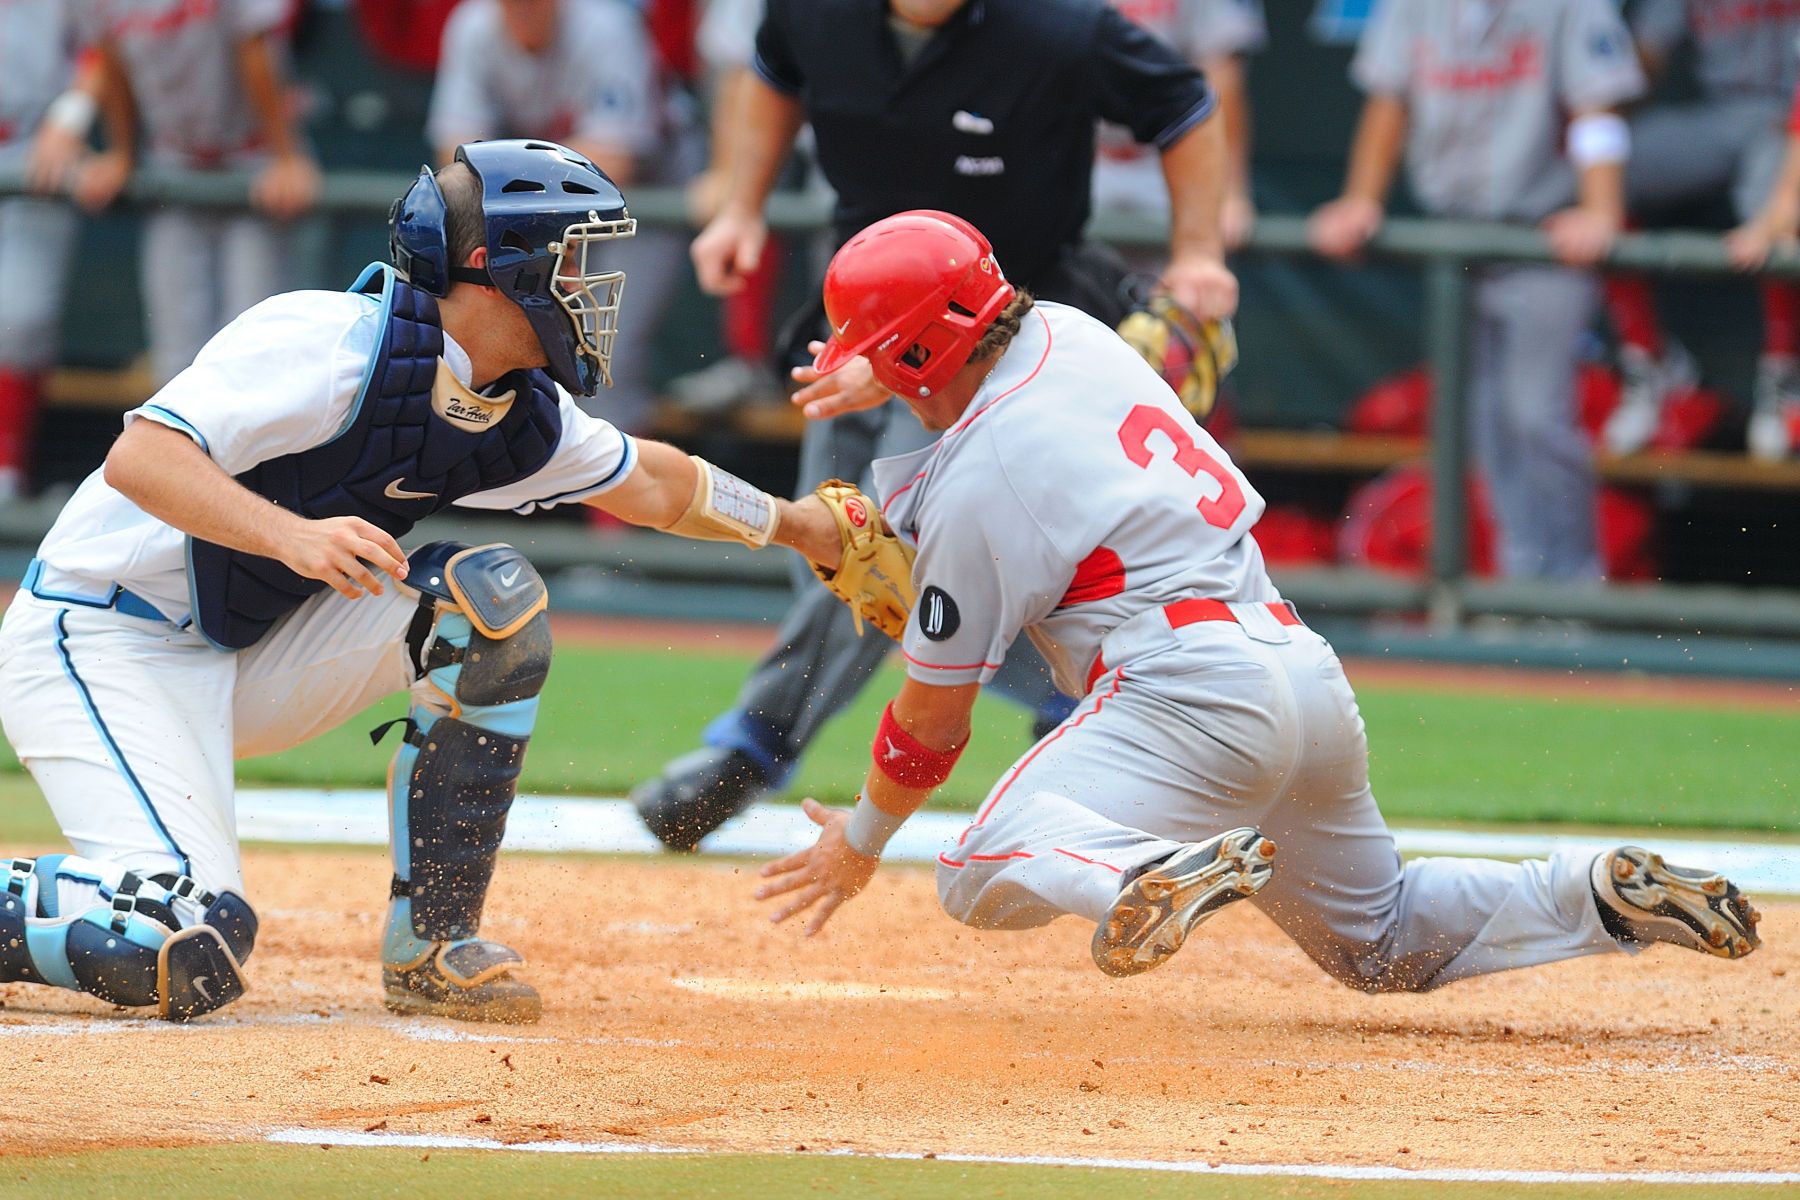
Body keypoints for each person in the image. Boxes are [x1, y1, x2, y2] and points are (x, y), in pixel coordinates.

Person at [755, 210, 1762, 993]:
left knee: (970, 868)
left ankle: (1137, 874)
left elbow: (932, 724)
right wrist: (892, 378)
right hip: (1296, 669)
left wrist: (860, 841)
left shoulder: (978, 484)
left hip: (1178, 696)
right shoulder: (1069, 332)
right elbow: (984, 407)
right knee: (1383, 943)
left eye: (882, 350)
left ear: (917, 354)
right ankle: (1589, 898)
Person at [0, 140, 840, 1024]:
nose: (590, 286)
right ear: (495, 269)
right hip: (97, 637)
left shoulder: (513, 408)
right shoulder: (328, 340)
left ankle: (431, 947)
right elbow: (142, 456)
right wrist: (290, 535)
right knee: (182, 938)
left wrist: (799, 526)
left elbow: (658, 483)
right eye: (571, 257)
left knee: (489, 605)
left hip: (238, 647)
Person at [632, 0, 1242, 852]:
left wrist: (1198, 251)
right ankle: (1072, 700)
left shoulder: (1058, 27)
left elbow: (1185, 105)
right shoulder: (814, 14)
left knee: (872, 548)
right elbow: (773, 73)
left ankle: (753, 746)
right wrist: (742, 206)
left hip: (1003, 339)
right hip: (856, 314)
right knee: (851, 558)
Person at [1309, 0, 1644, 582]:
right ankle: (1519, 586)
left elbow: (1598, 113)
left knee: (1537, 416)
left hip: (1541, 232)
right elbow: (1389, 101)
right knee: (1485, 422)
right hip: (1454, 238)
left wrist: (1601, 209)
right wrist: (1362, 196)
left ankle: (1574, 591)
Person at [427, 0, 699, 436]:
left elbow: (614, 159)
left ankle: (621, 497)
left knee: (601, 355)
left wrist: (506, 180)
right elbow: (455, 159)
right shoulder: (473, 25)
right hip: (539, 216)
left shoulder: (604, 25)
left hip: (637, 206)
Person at [73, 0, 321, 388]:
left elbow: (256, 50)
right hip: (174, 162)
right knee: (176, 354)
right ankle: (177, 448)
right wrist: (122, 152)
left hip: (252, 160)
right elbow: (112, 58)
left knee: (253, 342)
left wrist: (286, 155)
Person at [1599, 3, 1800, 459]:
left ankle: (1784, 378)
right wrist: (1602, 96)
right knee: (1607, 170)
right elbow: (1645, 62)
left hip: (1788, 124)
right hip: (1720, 116)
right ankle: (1650, 363)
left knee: (1778, 204)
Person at [0, 8, 91, 501]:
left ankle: (5, 475)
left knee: (22, 315)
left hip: (35, 146)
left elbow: (104, 46)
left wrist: (70, 118)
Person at [1093, 0, 1265, 253]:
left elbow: (1221, 78)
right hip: (1087, 155)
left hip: (1174, 155)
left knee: (1184, 281)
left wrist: (1228, 193)